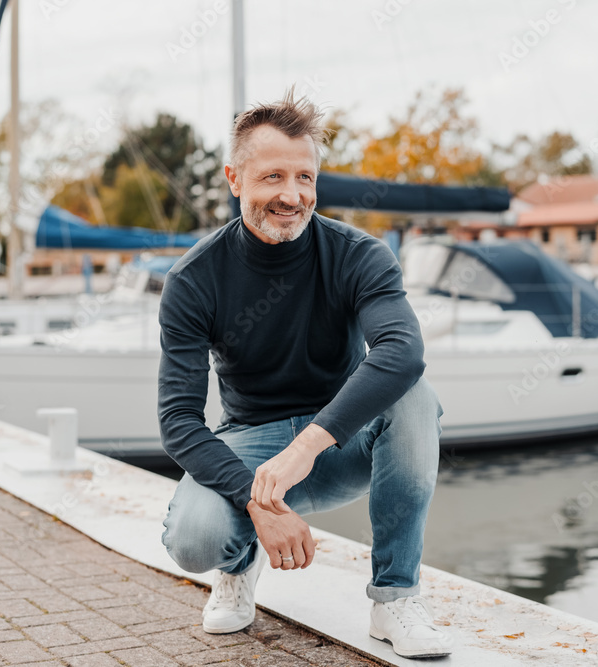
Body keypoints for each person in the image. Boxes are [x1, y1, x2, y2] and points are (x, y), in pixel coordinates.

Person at [157, 87, 453, 659]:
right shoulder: (194, 279)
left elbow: (401, 350)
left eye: (305, 178)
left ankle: (395, 598)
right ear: (234, 178)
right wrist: (257, 500)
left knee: (415, 396)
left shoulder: (358, 254)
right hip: (250, 444)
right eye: (272, 178)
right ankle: (238, 568)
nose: (291, 195)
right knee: (195, 541)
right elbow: (178, 421)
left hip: (339, 441)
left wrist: (307, 448)